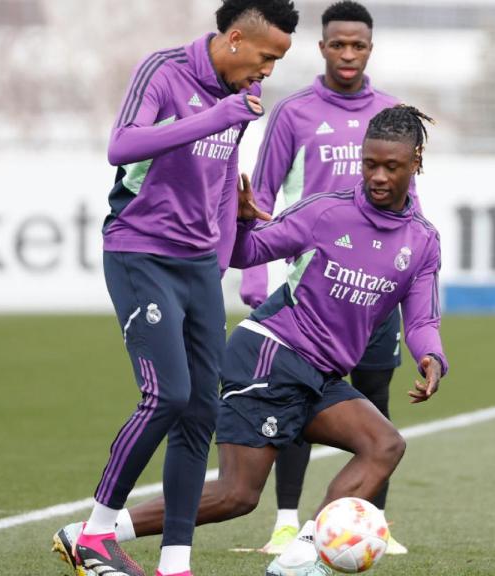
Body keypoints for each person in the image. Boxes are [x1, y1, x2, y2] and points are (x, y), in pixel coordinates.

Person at [55, 104, 446, 576]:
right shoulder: (327, 212)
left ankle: (306, 551)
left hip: (321, 374)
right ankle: (93, 535)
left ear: (416, 163)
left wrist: (431, 357)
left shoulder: (423, 241)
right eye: (370, 164)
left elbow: (422, 317)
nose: (378, 176)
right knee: (237, 495)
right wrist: (240, 222)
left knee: (384, 444)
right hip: (270, 354)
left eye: (392, 166)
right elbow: (248, 251)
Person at [50, 2, 298, 575]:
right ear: (234, 39)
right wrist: (220, 115)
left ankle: (176, 564)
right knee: (166, 394)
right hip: (141, 253)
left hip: (197, 270)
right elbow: (122, 146)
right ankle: (93, 532)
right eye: (265, 57)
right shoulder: (163, 70)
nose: (268, 71)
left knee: (199, 411)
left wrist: (225, 241)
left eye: (278, 62)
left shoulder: (243, 99)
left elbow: (220, 180)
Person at [239, 0, 416, 555]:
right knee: (298, 400)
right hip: (310, 285)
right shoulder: (293, 113)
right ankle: (287, 522)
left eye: (357, 45)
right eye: (337, 44)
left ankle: (373, 526)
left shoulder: (391, 114)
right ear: (321, 48)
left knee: (375, 397)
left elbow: (411, 201)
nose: (346, 54)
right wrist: (254, 281)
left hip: (373, 289)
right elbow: (261, 196)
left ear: (370, 48)